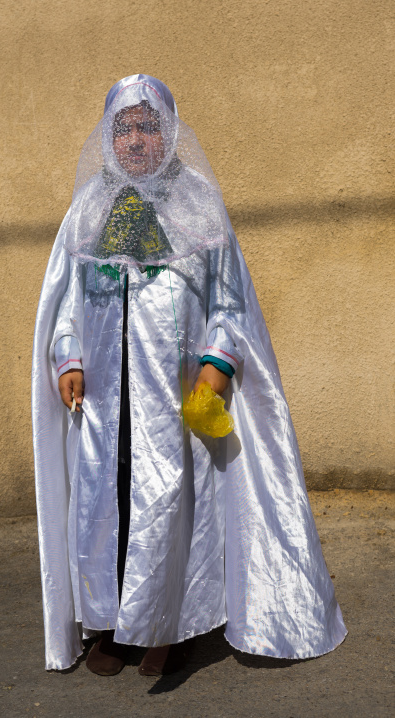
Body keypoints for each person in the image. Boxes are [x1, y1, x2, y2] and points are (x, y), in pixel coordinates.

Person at [32, 74, 346, 676]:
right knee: (106, 505)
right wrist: (67, 359)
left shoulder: (198, 204)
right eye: (124, 129)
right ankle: (112, 624)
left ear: (169, 132)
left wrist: (214, 371)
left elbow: (231, 306)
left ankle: (164, 626)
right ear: (108, 138)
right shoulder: (89, 208)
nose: (136, 141)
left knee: (165, 503)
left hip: (170, 397)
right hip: (102, 403)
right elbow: (66, 304)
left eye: (148, 126)